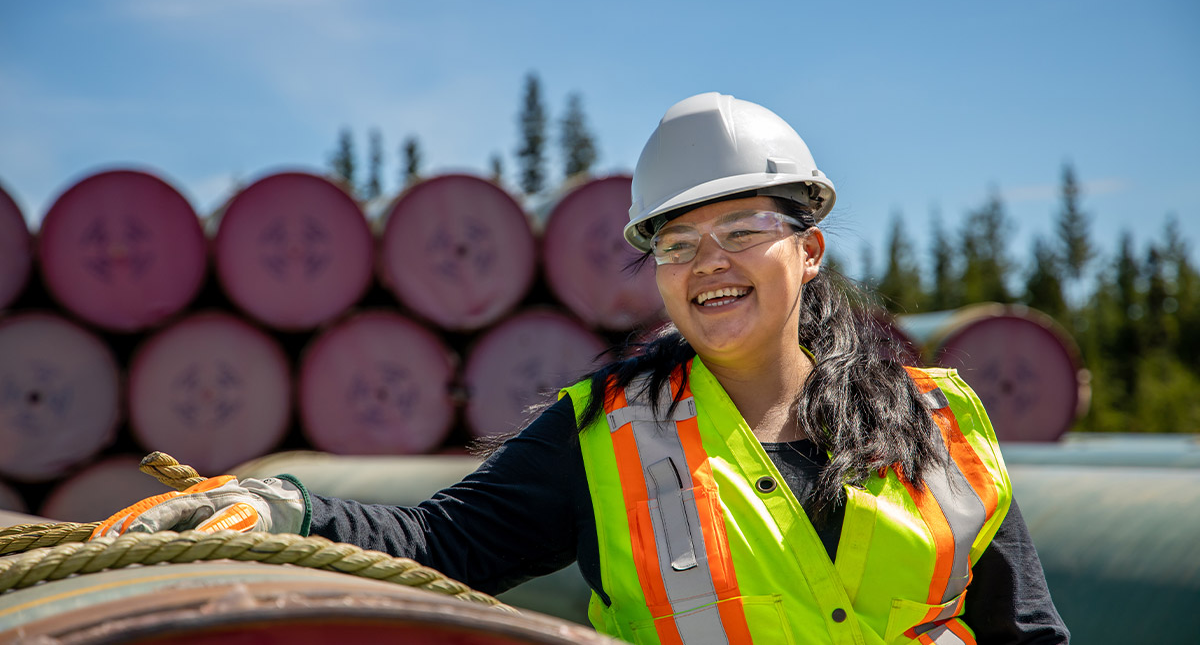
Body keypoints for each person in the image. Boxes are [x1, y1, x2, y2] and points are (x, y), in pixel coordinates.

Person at [94, 92, 1069, 644]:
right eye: (677, 244)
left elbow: (1025, 632)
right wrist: (289, 510)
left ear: (809, 250)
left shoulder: (941, 421)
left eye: (742, 231)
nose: (710, 264)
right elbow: (445, 540)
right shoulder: (607, 435)